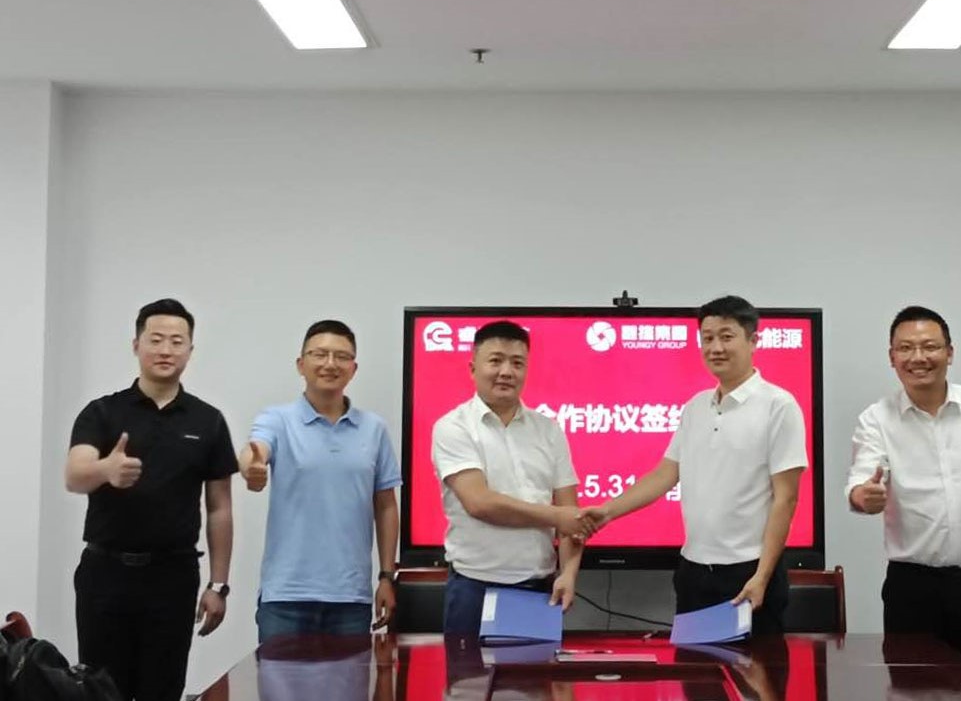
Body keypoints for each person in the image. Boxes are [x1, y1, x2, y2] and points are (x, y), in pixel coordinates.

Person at [581, 295, 809, 633]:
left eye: (727, 337)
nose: (715, 347)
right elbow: (665, 474)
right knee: (694, 665)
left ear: (753, 341)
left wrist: (762, 576)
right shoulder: (696, 407)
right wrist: (608, 512)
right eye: (707, 337)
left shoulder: (779, 405)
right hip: (694, 570)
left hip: (749, 571)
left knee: (759, 667)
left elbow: (786, 498)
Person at [845, 305, 961, 680]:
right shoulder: (876, 419)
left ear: (950, 352)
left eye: (929, 346)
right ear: (892, 357)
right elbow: (862, 482)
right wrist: (865, 496)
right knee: (912, 689)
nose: (918, 357)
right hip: (913, 590)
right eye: (906, 348)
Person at [65, 298, 236, 701]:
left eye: (177, 341)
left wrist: (218, 584)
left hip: (173, 577)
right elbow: (75, 474)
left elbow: (220, 507)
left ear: (190, 350)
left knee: (163, 689)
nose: (165, 350)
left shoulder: (208, 420)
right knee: (102, 691)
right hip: (105, 574)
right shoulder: (102, 412)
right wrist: (106, 470)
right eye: (155, 339)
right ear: (136, 345)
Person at [240, 320, 401, 641]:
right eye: (320, 354)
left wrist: (386, 576)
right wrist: (251, 466)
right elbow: (255, 450)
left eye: (341, 356)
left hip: (351, 598)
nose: (330, 364)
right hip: (286, 596)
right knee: (278, 676)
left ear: (353, 369)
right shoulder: (277, 419)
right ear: (301, 364)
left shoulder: (374, 428)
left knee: (349, 677)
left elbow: (386, 506)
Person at [431, 320, 588, 634]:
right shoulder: (453, 427)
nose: (506, 372)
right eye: (496, 361)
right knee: (468, 669)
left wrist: (569, 573)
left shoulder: (549, 430)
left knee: (536, 668)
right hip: (474, 586)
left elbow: (571, 515)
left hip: (539, 587)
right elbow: (479, 503)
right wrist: (557, 516)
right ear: (473, 368)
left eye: (517, 363)